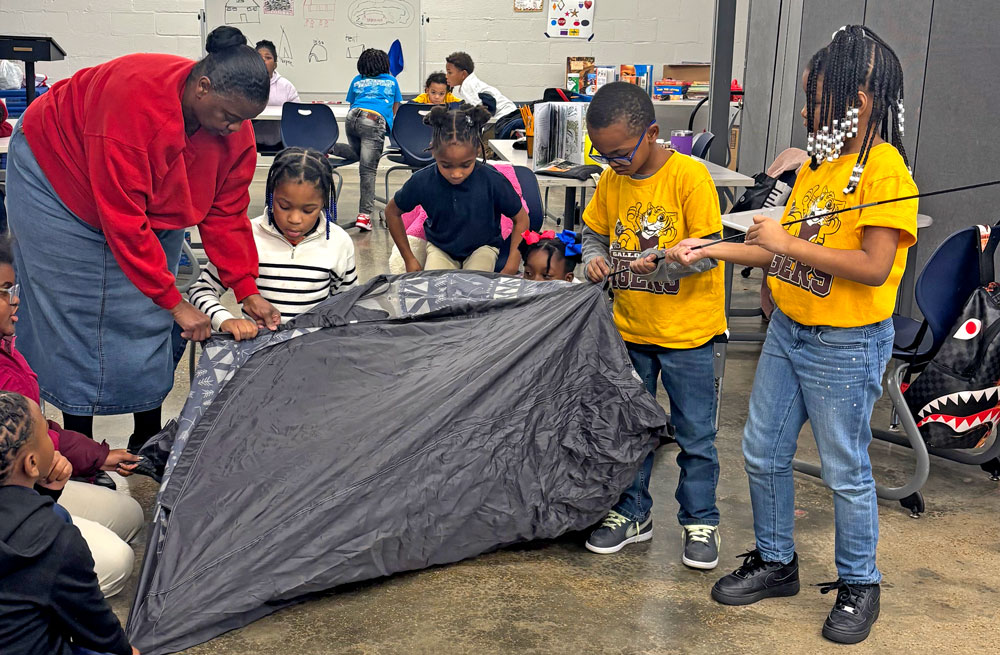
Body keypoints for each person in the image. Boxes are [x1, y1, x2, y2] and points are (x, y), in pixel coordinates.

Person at [673, 26, 915, 644]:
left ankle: (861, 583)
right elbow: (784, 258)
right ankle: (777, 561)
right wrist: (712, 247)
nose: (807, 110)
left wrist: (784, 241)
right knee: (761, 451)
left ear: (858, 100)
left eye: (817, 98)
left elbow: (873, 267)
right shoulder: (815, 168)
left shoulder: (885, 170)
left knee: (844, 470)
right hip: (791, 333)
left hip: (846, 342)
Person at [4, 26, 281, 456]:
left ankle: (145, 436)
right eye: (229, 116)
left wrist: (246, 289)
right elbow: (124, 221)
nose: (235, 128)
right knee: (75, 308)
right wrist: (174, 301)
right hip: (57, 171)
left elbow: (226, 212)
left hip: (142, 188)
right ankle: (82, 444)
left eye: (244, 119)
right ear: (202, 86)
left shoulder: (233, 132)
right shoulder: (133, 106)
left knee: (148, 313)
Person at [581, 82, 726, 570]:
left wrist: (661, 264)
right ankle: (631, 512)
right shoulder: (611, 180)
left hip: (688, 337)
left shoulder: (689, 178)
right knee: (630, 431)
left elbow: (707, 252)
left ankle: (700, 519)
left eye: (620, 153)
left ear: (652, 133)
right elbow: (594, 232)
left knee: (696, 435)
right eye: (603, 156)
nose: (613, 164)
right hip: (630, 331)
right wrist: (596, 259)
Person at [0, 235, 144, 597]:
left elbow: (38, 433)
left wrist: (97, 456)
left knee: (129, 514)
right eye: (3, 290)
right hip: (13, 507)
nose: (14, 298)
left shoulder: (9, 353)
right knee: (115, 563)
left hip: (30, 489)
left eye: (11, 286)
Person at [0, 391, 139, 655]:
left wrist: (48, 494)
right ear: (32, 463)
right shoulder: (55, 540)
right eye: (45, 433)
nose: (53, 440)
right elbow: (97, 629)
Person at [188, 147, 357, 336]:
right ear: (271, 195)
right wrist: (225, 320)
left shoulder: (339, 242)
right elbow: (201, 290)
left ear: (324, 203)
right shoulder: (245, 236)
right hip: (258, 352)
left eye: (308, 210)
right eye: (284, 206)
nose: (294, 219)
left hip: (313, 351)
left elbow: (347, 304)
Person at [384, 104, 529, 274]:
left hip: (483, 247)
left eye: (466, 165)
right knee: (436, 292)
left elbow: (521, 219)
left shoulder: (493, 180)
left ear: (476, 152)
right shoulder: (422, 181)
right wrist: (409, 259)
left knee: (474, 290)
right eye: (446, 165)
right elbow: (392, 212)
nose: (456, 174)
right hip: (440, 248)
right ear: (433, 151)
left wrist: (512, 265)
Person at [336, 49, 402, 232]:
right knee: (368, 170)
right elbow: (395, 108)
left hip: (353, 118)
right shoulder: (392, 81)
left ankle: (331, 148)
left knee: (360, 155)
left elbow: (353, 104)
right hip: (374, 120)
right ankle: (364, 216)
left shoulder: (357, 80)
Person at [445, 52, 522, 138]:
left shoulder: (468, 86)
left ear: (463, 74)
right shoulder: (471, 83)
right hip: (507, 116)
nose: (446, 76)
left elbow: (479, 113)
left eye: (450, 72)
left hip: (503, 119)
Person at [254, 39, 300, 148]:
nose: (263, 61)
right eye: (259, 58)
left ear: (275, 64)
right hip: (252, 139)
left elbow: (297, 115)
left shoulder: (286, 86)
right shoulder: (245, 84)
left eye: (268, 58)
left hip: (280, 140)